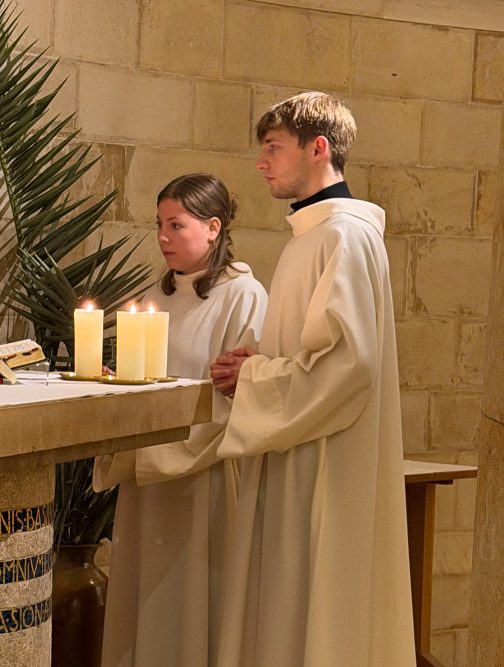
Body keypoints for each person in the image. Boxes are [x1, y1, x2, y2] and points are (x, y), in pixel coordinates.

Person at [210, 91, 415, 665]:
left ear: (318, 148)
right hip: (298, 444)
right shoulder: (314, 235)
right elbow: (315, 346)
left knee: (309, 611)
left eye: (273, 148)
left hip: (319, 457)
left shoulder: (342, 236)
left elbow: (349, 363)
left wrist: (255, 376)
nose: (261, 162)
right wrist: (263, 358)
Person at [93, 173, 267, 666]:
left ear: (213, 228)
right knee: (143, 603)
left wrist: (161, 451)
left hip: (202, 478)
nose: (163, 237)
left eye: (176, 224)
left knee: (192, 609)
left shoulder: (243, 296)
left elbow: (242, 396)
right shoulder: (158, 296)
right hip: (149, 478)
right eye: (159, 225)